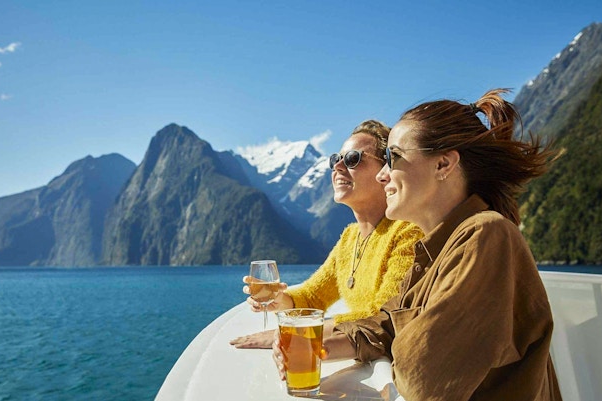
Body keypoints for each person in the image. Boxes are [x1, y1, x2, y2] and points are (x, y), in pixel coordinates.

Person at [273, 89, 563, 400]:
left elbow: (422, 378)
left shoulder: (485, 235)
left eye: (393, 158)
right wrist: (320, 347)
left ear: (443, 165)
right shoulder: (435, 249)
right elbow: (385, 323)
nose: (383, 175)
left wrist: (396, 337)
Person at [230, 120, 423, 349]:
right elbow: (314, 296)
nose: (338, 167)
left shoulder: (408, 232)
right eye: (335, 159)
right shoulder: (350, 238)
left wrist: (293, 331)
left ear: (385, 171)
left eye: (352, 159)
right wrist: (280, 300)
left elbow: (382, 315)